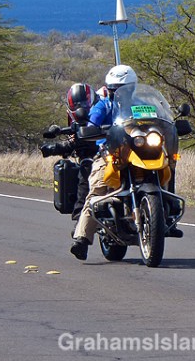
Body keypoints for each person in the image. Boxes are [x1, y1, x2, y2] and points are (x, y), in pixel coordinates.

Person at [69, 65, 183, 260]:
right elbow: (91, 124)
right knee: (97, 189)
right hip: (111, 153)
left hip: (140, 150)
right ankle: (82, 238)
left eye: (124, 88)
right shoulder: (103, 106)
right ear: (109, 89)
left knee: (167, 166)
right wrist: (91, 130)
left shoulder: (145, 105)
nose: (119, 92)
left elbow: (160, 119)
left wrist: (169, 124)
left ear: (134, 87)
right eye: (114, 89)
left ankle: (168, 214)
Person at [40, 82, 101, 220]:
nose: (81, 107)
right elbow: (75, 142)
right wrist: (57, 147)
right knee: (86, 170)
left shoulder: (104, 108)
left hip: (111, 152)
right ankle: (80, 218)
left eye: (84, 103)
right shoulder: (75, 121)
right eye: (77, 104)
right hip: (91, 157)